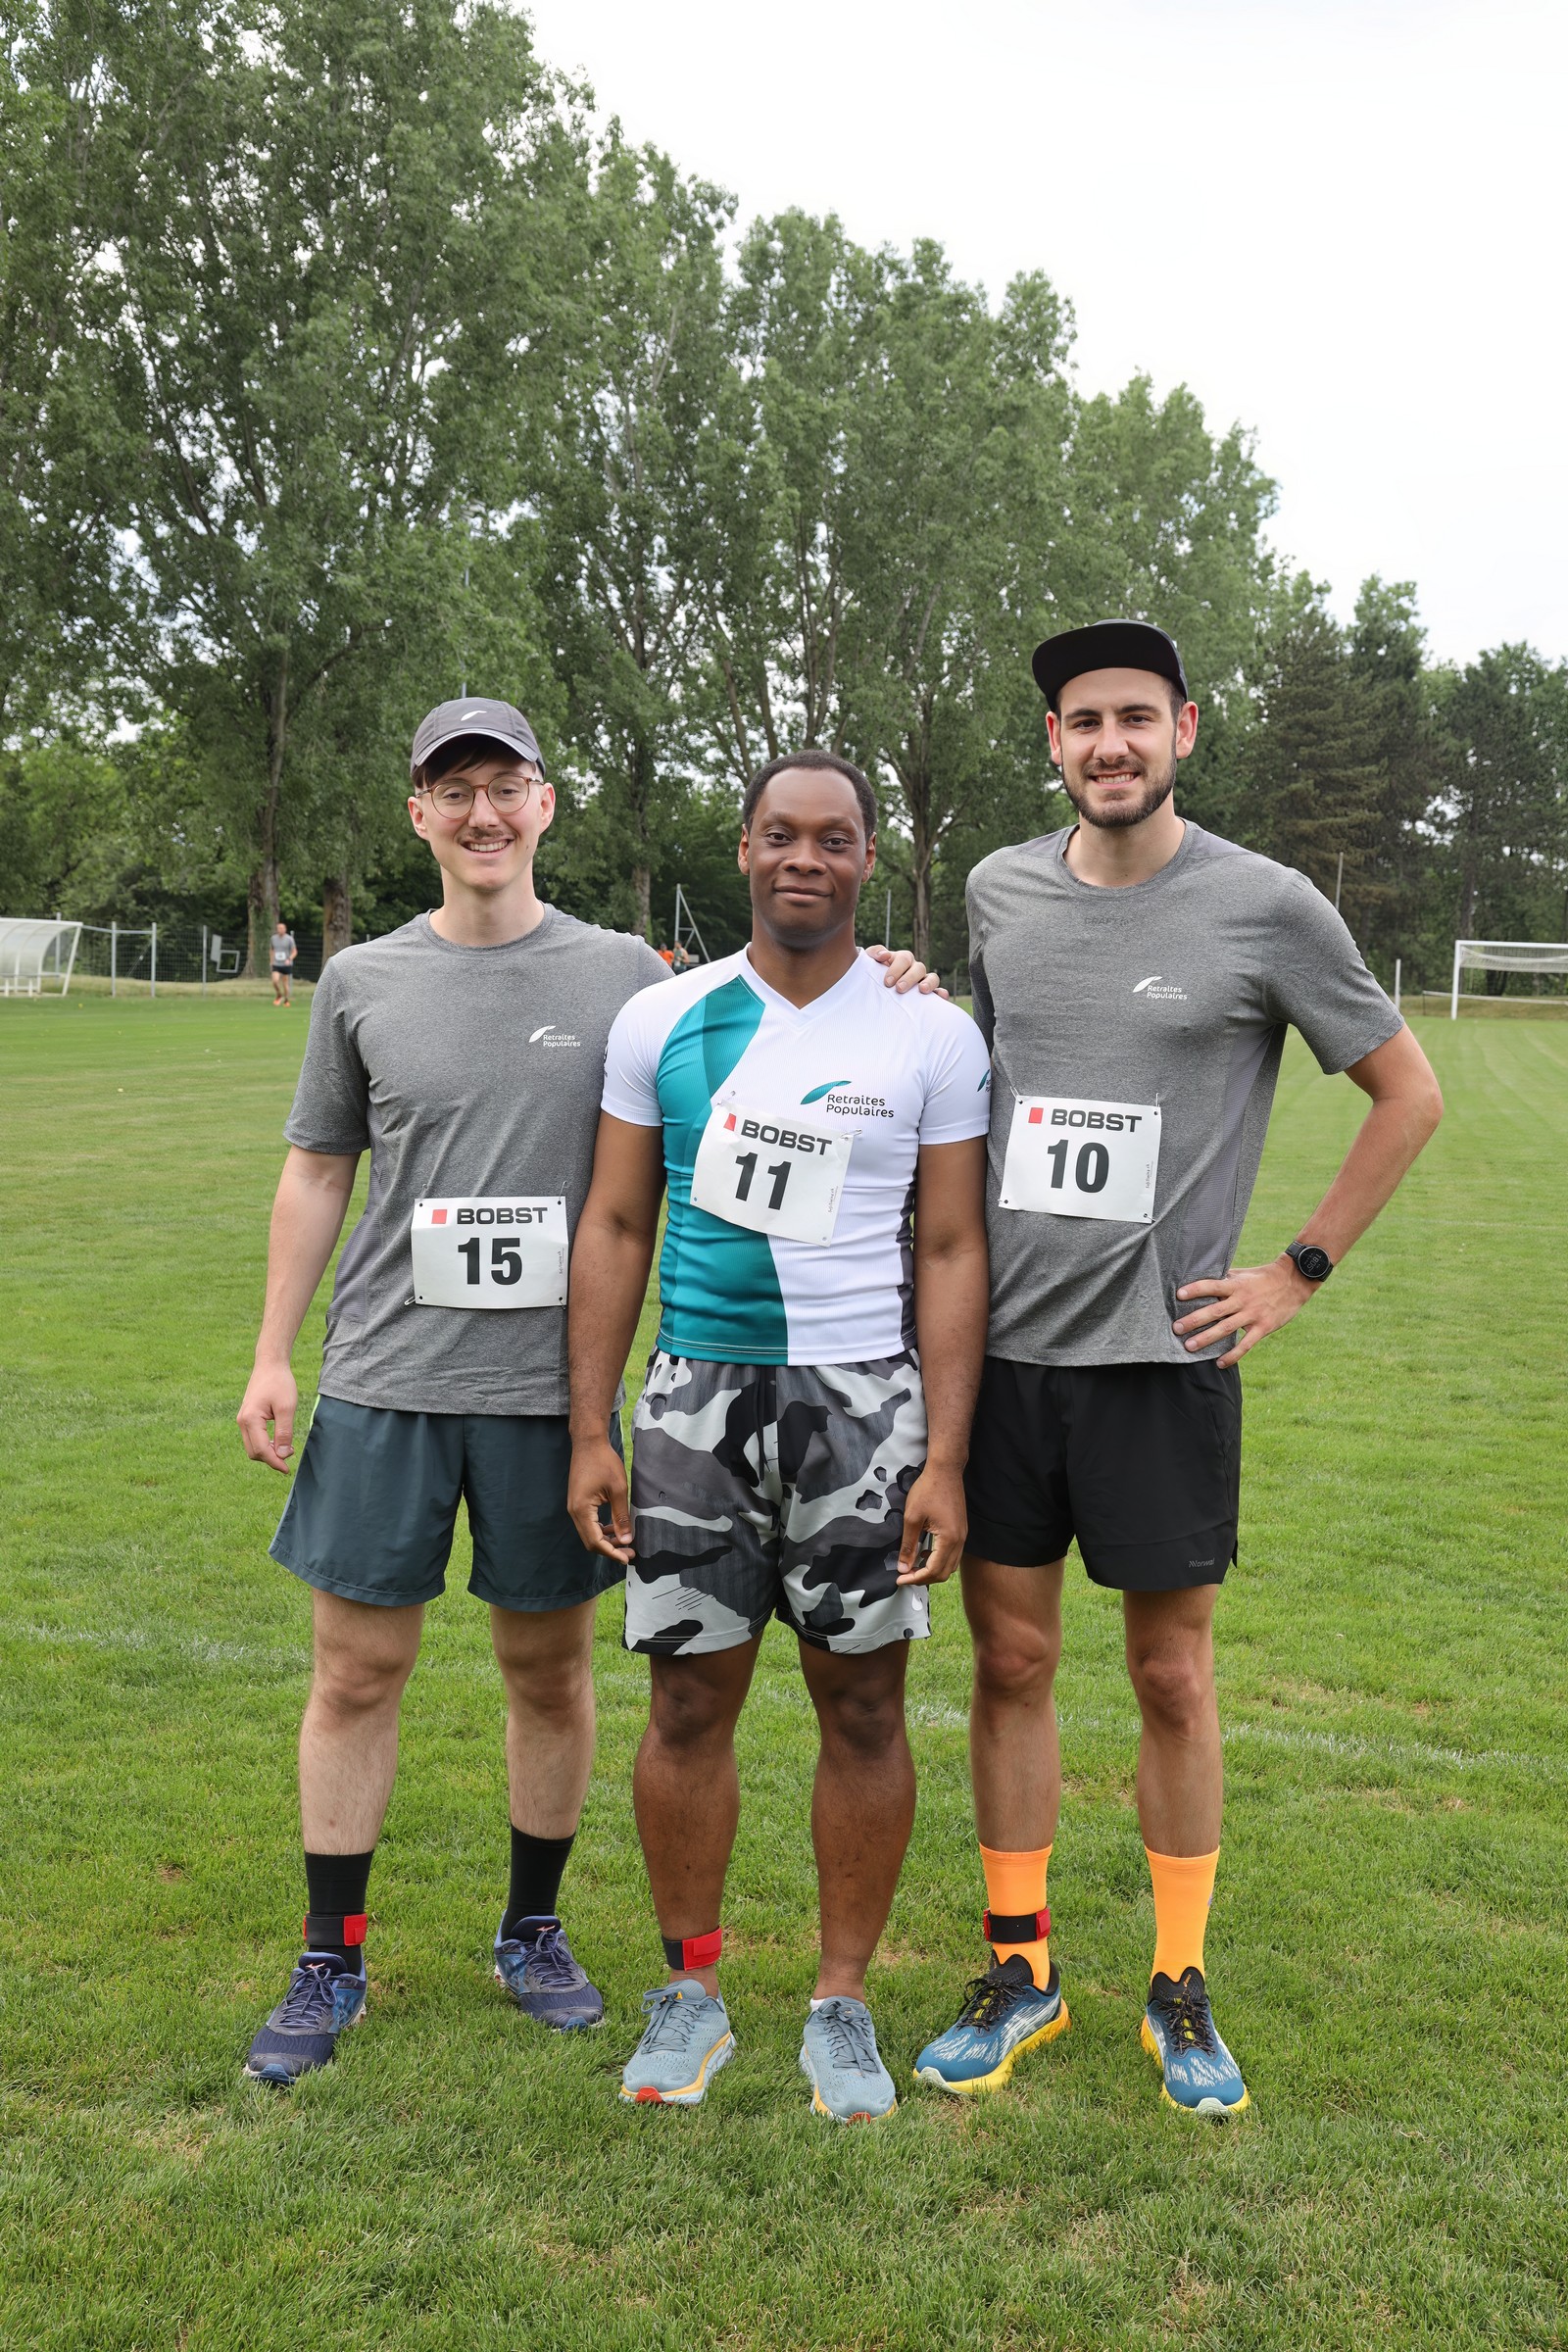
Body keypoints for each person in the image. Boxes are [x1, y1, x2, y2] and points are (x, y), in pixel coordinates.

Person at [235, 700, 940, 2087]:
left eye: (505, 788)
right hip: (386, 1373)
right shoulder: (361, 980)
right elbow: (318, 1167)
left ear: (544, 806)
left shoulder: (627, 973)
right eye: (454, 792)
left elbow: (771, 999)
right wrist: (273, 1350)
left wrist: (886, 973)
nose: (482, 815)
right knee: (356, 1670)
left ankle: (533, 1931)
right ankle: (331, 1955)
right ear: (419, 813)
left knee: (549, 1673)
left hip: (549, 1393)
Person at [912, 620, 1444, 2118]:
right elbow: (985, 1073)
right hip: (1007, 1358)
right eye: (1084, 721)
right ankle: (1022, 1967)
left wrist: (1297, 1270)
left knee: (1170, 1674)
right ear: (1055, 742)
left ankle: (1179, 1980)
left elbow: (1408, 1093)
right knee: (1010, 1663)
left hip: (1165, 1361)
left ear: (1185, 731)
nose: (1110, 745)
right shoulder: (1000, 890)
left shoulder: (1267, 905)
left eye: (1135, 718)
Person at [566, 747, 992, 2121]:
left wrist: (942, 1456)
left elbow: (950, 1245)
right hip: (694, 1400)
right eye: (781, 834)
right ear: (744, 849)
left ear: (869, 858)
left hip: (863, 1406)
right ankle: (688, 1993)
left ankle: (840, 2002)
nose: (806, 858)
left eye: (834, 837)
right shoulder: (664, 1018)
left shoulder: (930, 1032)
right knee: (688, 1701)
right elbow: (616, 1223)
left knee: (862, 1704)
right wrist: (591, 1427)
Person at [270, 920, 298, 1006]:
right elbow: (272, 950)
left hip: (286, 964)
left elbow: (294, 952)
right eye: (279, 928)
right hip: (276, 963)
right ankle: (279, 994)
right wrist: (271, 961)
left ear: (285, 929)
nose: (280, 929)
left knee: (285, 983)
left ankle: (286, 1000)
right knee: (275, 981)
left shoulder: (289, 939)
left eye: (282, 928)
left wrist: (289, 959)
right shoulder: (273, 938)